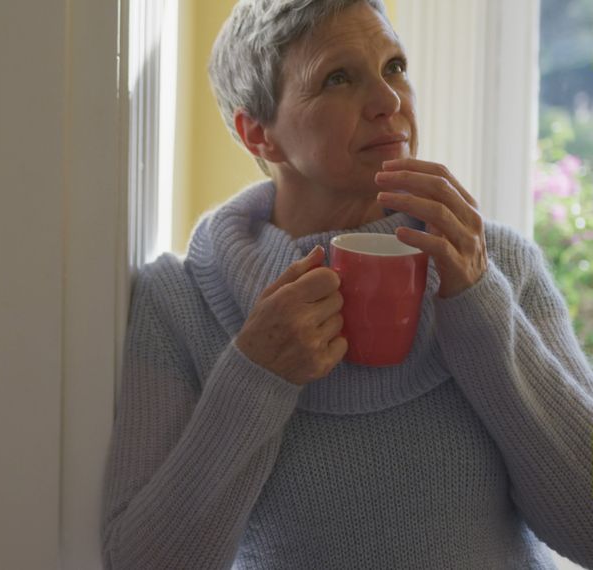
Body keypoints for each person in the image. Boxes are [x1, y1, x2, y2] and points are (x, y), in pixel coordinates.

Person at [99, 0, 593, 568]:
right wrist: (255, 377)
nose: (390, 102)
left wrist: (482, 307)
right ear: (258, 134)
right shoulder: (180, 304)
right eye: (338, 78)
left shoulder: (495, 261)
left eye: (395, 66)